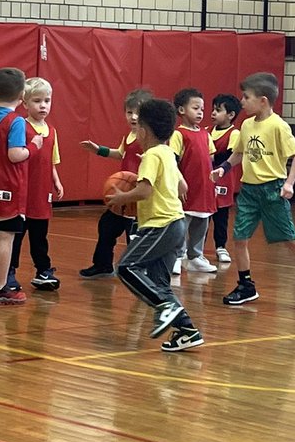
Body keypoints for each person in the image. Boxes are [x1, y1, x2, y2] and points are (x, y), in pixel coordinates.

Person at [213, 73, 295, 312]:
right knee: (240, 238)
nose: (242, 101)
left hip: (272, 191)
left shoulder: (278, 125)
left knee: (289, 239)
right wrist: (223, 169)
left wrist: (289, 184)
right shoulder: (246, 125)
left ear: (263, 101)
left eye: (246, 97)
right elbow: (239, 153)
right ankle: (246, 285)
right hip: (248, 192)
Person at [105, 97, 203, 352]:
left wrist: (121, 197)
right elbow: (183, 186)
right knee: (159, 284)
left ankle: (166, 306)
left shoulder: (151, 155)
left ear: (144, 131)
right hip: (175, 223)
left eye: (137, 127)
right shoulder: (167, 153)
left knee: (126, 267)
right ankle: (187, 330)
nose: (134, 131)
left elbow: (144, 191)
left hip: (162, 225)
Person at [0, 67, 42, 306]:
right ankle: (1, 289)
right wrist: (34, 146)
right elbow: (15, 155)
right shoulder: (16, 122)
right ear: (22, 96)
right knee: (6, 238)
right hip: (8, 188)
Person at [79, 88, 153, 278]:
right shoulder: (128, 136)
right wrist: (99, 150)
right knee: (106, 227)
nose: (134, 116)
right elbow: (120, 154)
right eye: (130, 112)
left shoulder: (150, 138)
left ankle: (138, 270)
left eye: (139, 112)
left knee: (134, 237)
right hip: (123, 193)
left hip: (138, 197)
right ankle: (103, 265)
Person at [8, 77, 64, 292]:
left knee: (40, 236)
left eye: (47, 100)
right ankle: (9, 270)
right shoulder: (21, 126)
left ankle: (43, 270)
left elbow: (51, 161)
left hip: (42, 194)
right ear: (25, 103)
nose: (43, 105)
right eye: (37, 100)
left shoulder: (52, 131)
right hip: (22, 193)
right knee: (17, 235)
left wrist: (56, 181)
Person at [169, 87, 217, 275]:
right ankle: (177, 256)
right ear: (181, 110)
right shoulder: (178, 134)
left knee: (202, 222)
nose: (200, 112)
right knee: (183, 222)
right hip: (187, 187)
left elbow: (210, 157)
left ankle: (195, 256)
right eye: (195, 108)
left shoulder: (205, 133)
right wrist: (180, 182)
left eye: (202, 109)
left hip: (204, 186)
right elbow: (172, 160)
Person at [209, 93, 242, 263]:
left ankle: (221, 247)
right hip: (206, 180)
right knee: (202, 217)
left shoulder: (234, 133)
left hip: (223, 181)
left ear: (231, 115)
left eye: (218, 110)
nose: (213, 113)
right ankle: (195, 249)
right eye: (213, 109)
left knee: (221, 217)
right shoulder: (207, 131)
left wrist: (210, 158)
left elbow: (228, 156)